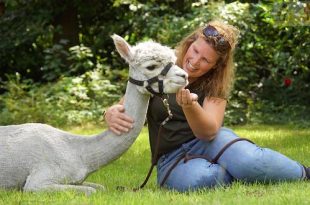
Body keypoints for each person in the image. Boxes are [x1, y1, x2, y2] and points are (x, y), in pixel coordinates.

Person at [104, 20, 310, 192]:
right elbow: (127, 106)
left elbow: (210, 132)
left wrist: (190, 106)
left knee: (251, 162)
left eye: (205, 60)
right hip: (171, 157)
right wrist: (110, 112)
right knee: (203, 180)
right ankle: (241, 171)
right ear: (191, 42)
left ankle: (303, 173)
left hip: (213, 141)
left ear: (215, 66)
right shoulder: (161, 63)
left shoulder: (216, 83)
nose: (194, 61)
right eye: (194, 51)